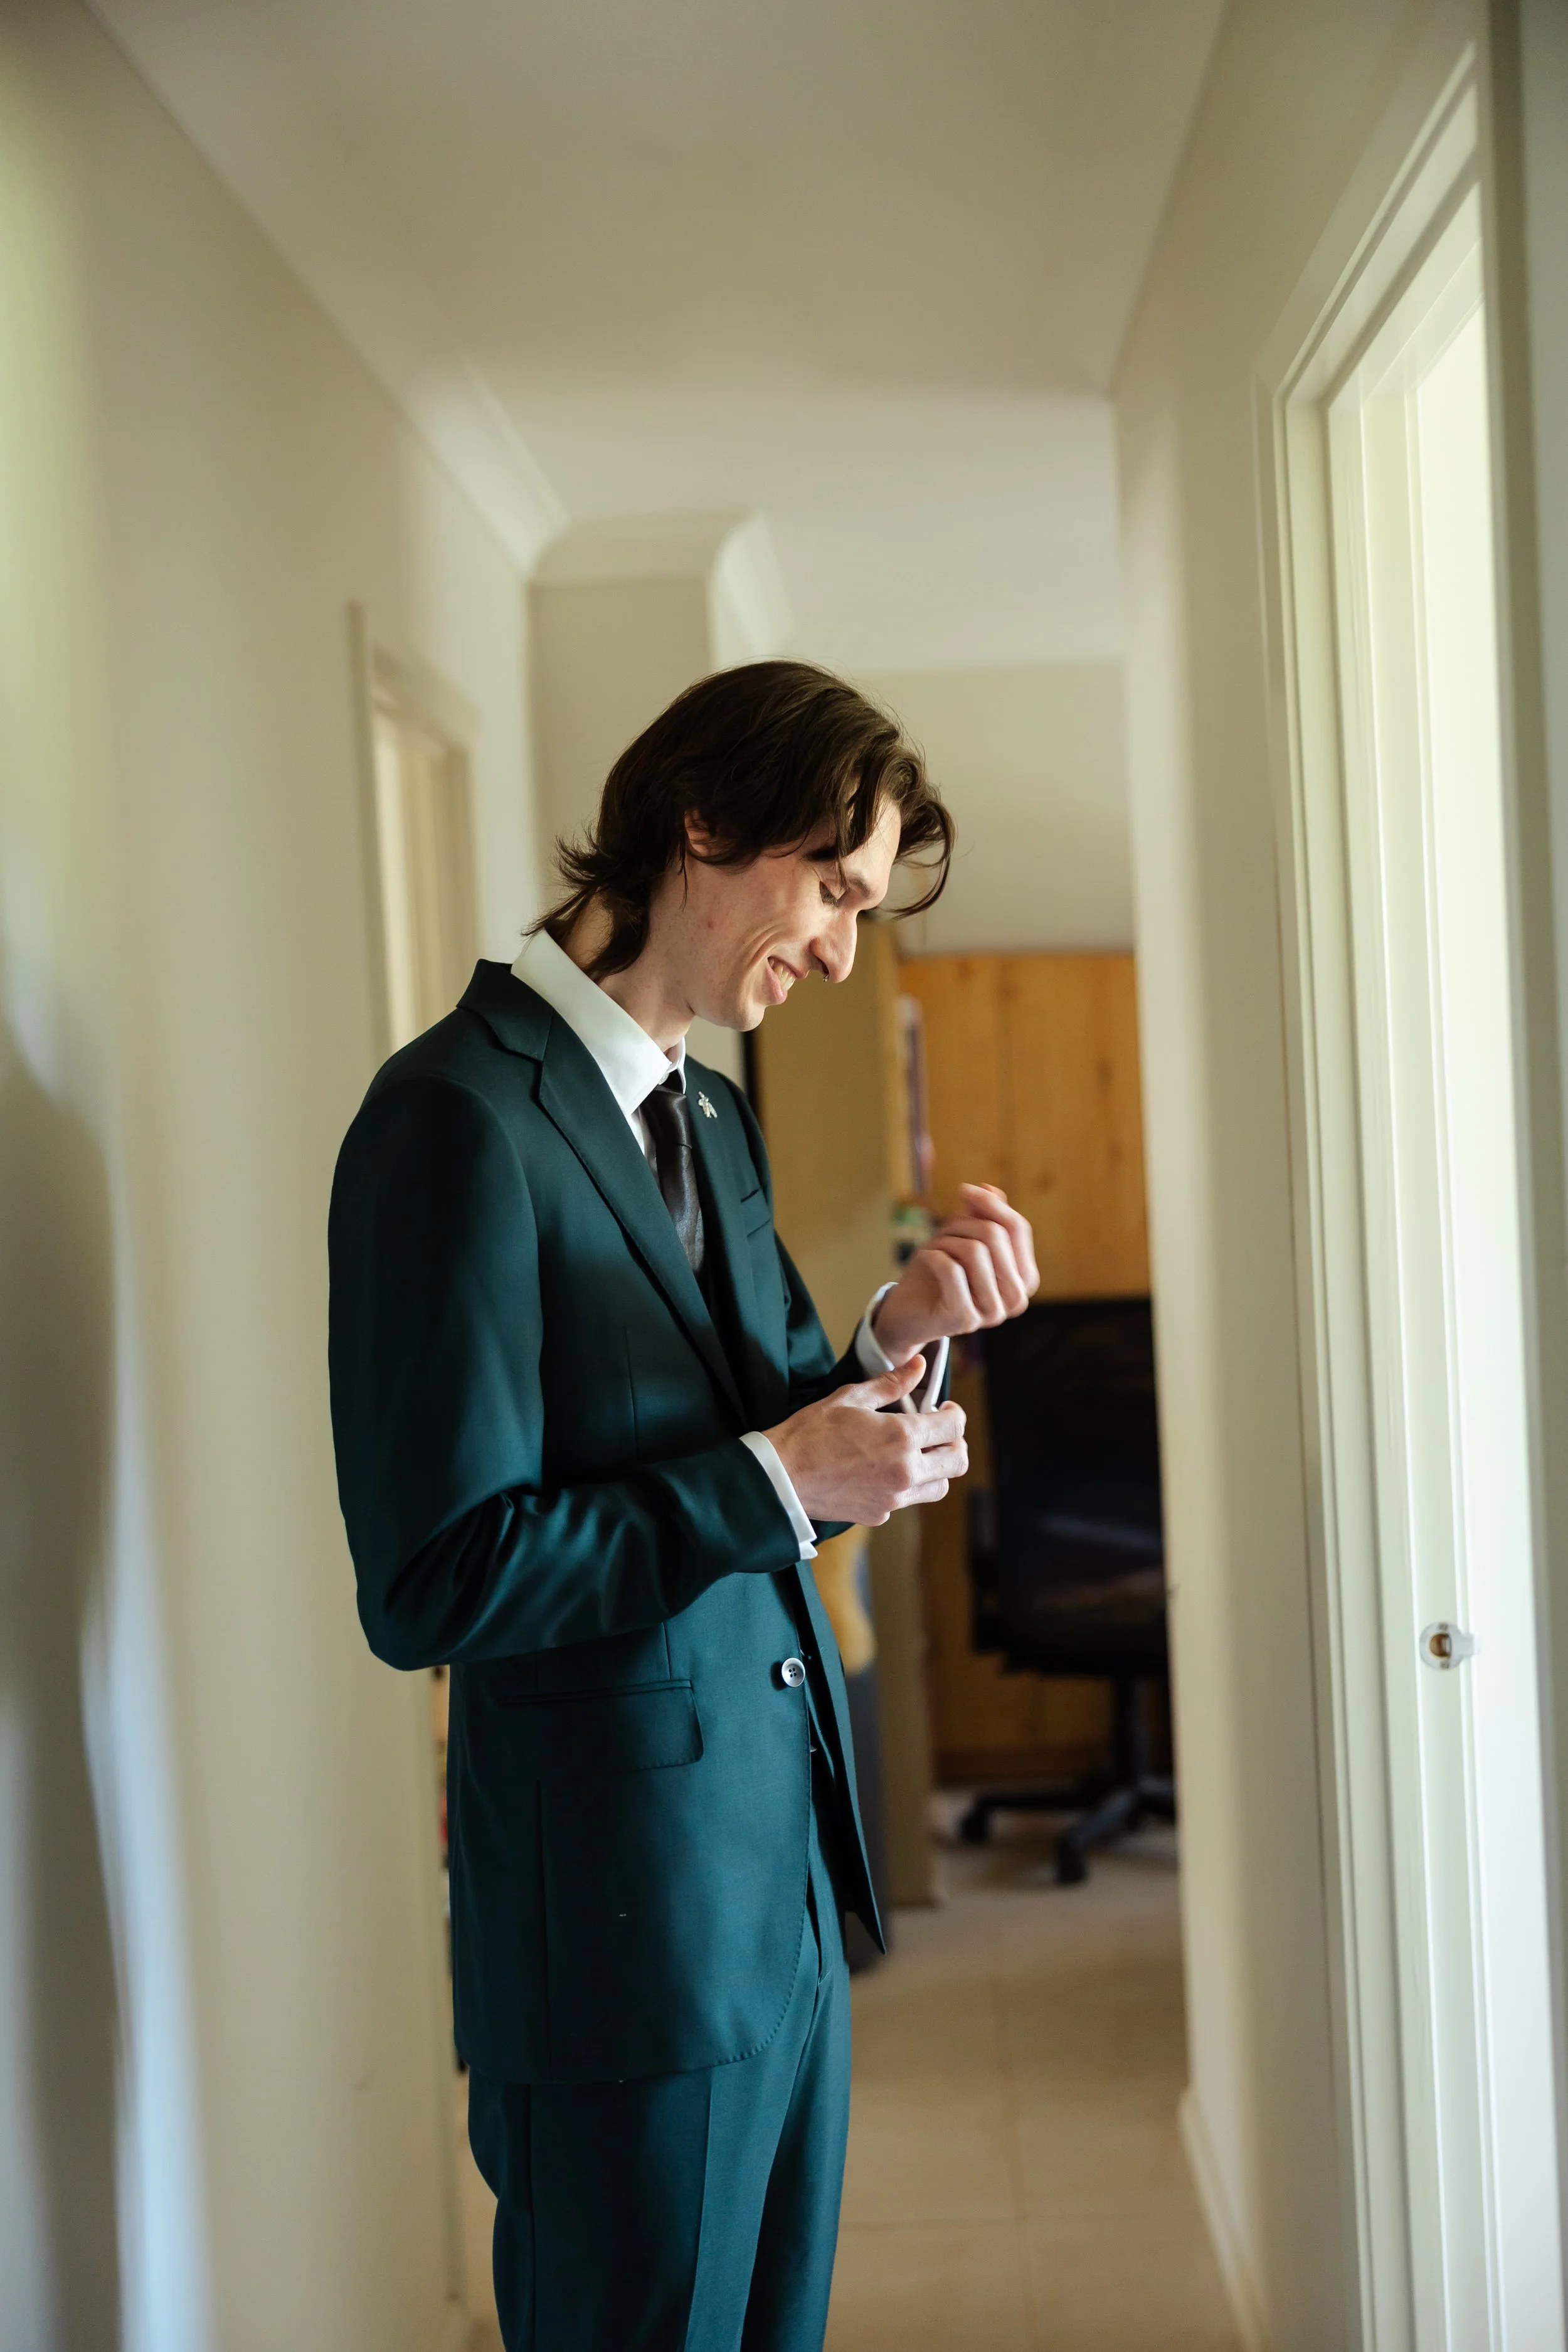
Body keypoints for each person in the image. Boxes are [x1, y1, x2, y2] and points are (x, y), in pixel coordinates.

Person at [328, 660, 1039, 2352]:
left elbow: (768, 1436)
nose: (842, 948)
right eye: (830, 888)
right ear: (702, 823)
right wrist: (781, 1474)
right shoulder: (450, 1120)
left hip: (777, 1893)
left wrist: (892, 1340)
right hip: (620, 1939)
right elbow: (433, 1580)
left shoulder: (705, 1106)